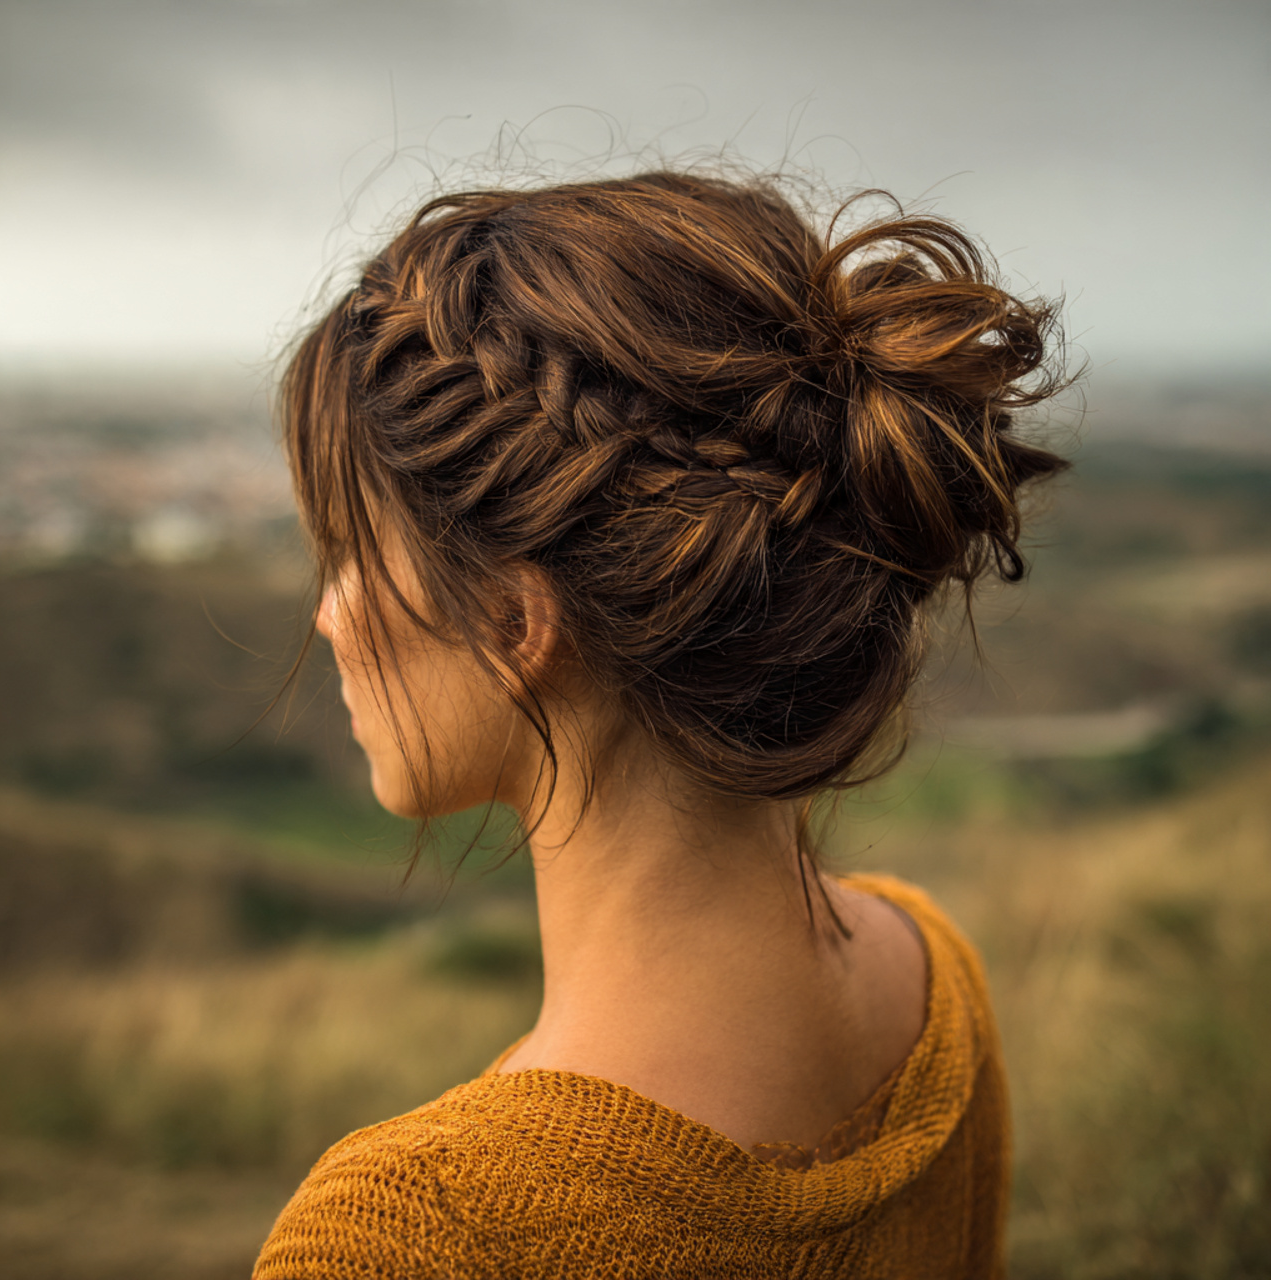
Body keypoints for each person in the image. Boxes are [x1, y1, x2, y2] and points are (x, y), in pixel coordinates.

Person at [253, 170, 1067, 1279]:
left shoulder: (414, 1236)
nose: (327, 612)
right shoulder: (937, 988)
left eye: (352, 547)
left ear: (511, 618)